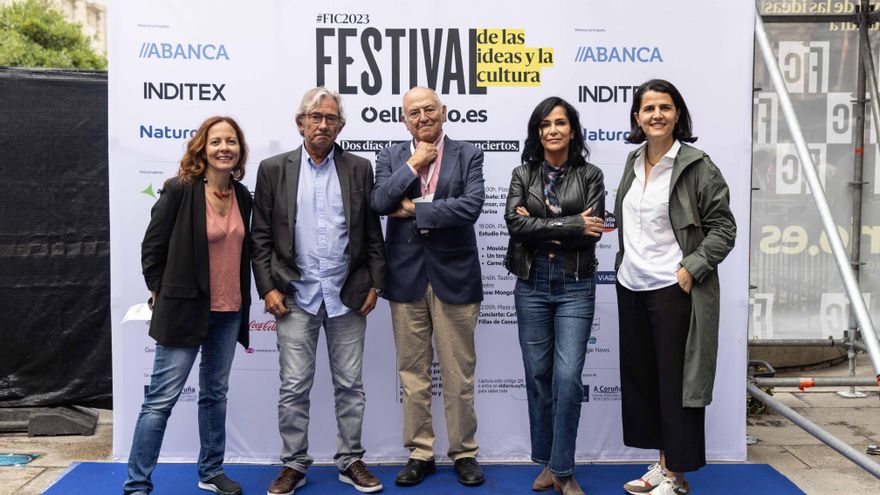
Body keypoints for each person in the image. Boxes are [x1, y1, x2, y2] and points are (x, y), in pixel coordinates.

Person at [252, 87, 385, 495]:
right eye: (316, 117)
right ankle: (294, 464)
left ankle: (351, 460)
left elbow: (372, 235)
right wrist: (268, 288)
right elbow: (260, 237)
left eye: (331, 119)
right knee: (294, 386)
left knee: (350, 386)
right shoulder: (274, 169)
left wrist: (376, 283)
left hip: (347, 295)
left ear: (340, 126)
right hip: (294, 297)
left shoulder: (359, 168)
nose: (323, 124)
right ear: (301, 123)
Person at [614, 79, 736, 495]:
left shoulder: (697, 166)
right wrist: (623, 266)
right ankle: (664, 464)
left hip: (673, 288)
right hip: (633, 286)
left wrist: (691, 267)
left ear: (677, 114)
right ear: (637, 117)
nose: (657, 115)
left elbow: (724, 229)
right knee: (646, 383)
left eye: (665, 107)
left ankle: (677, 477)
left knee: (676, 386)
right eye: (648, 109)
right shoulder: (633, 161)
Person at [124, 116, 252, 495]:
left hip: (229, 311)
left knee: (214, 395)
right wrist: (159, 291)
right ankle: (137, 484)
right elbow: (152, 247)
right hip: (183, 310)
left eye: (231, 141)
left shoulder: (243, 196)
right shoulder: (180, 190)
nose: (224, 148)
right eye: (216, 141)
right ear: (203, 148)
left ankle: (211, 471)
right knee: (160, 401)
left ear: (240, 150)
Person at [369, 86, 485, 488]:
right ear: (405, 120)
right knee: (413, 374)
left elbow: (471, 206)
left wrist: (415, 209)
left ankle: (464, 452)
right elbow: (379, 201)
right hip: (406, 278)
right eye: (414, 112)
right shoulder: (390, 156)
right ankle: (420, 453)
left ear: (444, 111)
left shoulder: (468, 154)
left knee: (458, 374)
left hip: (455, 277)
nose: (423, 117)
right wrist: (413, 164)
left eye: (429, 109)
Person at [503, 97, 605, 495]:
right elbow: (515, 226)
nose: (552, 130)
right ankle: (547, 463)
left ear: (572, 130)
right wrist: (571, 224)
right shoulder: (522, 174)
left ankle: (563, 469)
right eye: (545, 124)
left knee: (568, 378)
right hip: (531, 283)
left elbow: (592, 231)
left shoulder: (591, 175)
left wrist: (541, 225)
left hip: (575, 283)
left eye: (560, 123)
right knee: (538, 377)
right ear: (538, 132)